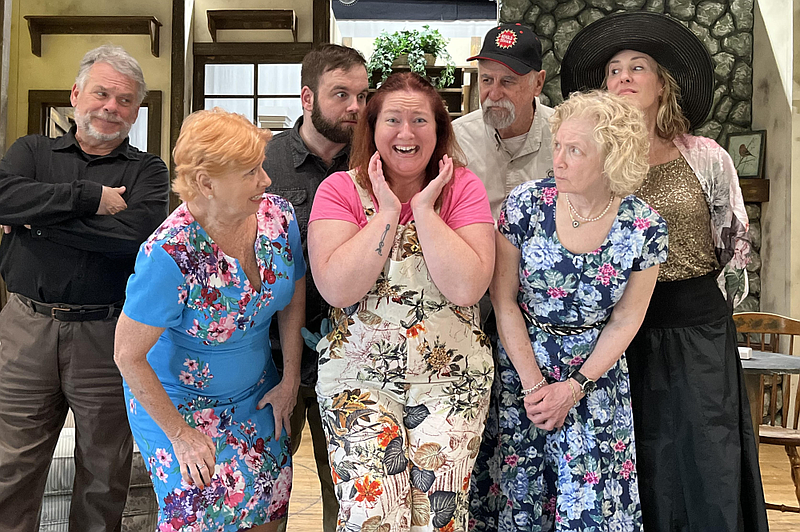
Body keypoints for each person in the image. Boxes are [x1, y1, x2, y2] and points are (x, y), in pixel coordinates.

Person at [560, 11, 768, 531]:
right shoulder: (593, 162)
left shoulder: (707, 157)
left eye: (638, 66)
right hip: (616, 336)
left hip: (697, 330)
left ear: (663, 83)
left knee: (705, 460)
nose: (624, 77)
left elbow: (732, 242)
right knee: (633, 465)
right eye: (613, 70)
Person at [469, 90, 668, 531]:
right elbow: (504, 301)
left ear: (612, 159)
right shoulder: (525, 205)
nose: (558, 159)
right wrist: (535, 386)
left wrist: (574, 388)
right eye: (558, 145)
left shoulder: (644, 227)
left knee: (592, 511)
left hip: (596, 379)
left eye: (574, 150)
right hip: (523, 373)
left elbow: (626, 319)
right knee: (522, 503)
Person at [308, 72, 495, 531]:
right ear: (371, 129)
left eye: (419, 121)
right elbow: (337, 288)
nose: (406, 133)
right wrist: (388, 211)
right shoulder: (339, 189)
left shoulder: (463, 188)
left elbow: (467, 287)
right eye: (392, 119)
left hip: (453, 380)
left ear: (439, 131)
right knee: (372, 515)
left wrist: (426, 211)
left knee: (438, 517)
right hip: (358, 379)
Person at [0, 44, 169, 532]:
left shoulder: (147, 171)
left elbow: (133, 238)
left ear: (136, 111)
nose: (111, 108)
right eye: (101, 93)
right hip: (25, 326)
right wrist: (88, 198)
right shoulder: (31, 151)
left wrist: (37, 222)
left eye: (125, 100)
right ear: (77, 95)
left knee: (104, 469)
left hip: (107, 332)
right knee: (12, 465)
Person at [114, 108, 305, 532]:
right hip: (179, 408)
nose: (266, 180)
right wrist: (181, 436)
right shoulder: (169, 254)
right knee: (202, 512)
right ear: (206, 182)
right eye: (251, 171)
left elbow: (294, 293)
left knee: (269, 508)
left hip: (257, 392)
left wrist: (290, 378)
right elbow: (127, 356)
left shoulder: (278, 217)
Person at [263, 43, 368, 532]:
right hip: (264, 356)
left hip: (352, 355)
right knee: (265, 491)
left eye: (362, 96)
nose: (355, 107)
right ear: (307, 98)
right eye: (341, 94)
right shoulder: (263, 164)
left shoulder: (374, 165)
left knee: (347, 493)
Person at [453, 22, 554, 220]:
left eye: (508, 81)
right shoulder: (456, 139)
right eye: (487, 80)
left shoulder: (565, 136)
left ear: (538, 83)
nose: (495, 94)